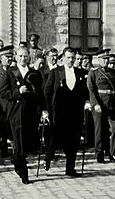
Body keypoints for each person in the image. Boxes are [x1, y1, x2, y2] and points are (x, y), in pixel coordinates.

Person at [0, 47, 45, 184]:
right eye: (20, 56)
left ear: (29, 57)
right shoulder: (10, 73)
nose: (23, 59)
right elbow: (4, 93)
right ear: (16, 57)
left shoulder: (33, 73)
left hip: (30, 113)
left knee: (29, 142)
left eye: (25, 56)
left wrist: (42, 109)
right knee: (19, 143)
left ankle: (17, 158)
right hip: (16, 112)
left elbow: (39, 93)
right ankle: (23, 172)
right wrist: (18, 91)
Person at [43, 47, 88, 177]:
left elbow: (85, 92)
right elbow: (47, 91)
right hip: (59, 112)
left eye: (73, 58)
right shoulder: (56, 72)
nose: (71, 60)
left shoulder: (80, 73)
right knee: (57, 137)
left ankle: (70, 168)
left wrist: (87, 102)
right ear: (62, 58)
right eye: (68, 57)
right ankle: (48, 157)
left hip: (75, 112)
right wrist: (47, 109)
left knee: (74, 140)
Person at [86, 50, 115, 164]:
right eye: (103, 59)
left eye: (107, 59)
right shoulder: (94, 73)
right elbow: (91, 90)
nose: (106, 61)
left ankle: (113, 153)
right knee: (100, 130)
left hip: (111, 104)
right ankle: (99, 153)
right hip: (99, 104)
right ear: (99, 60)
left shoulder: (114, 74)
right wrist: (95, 104)